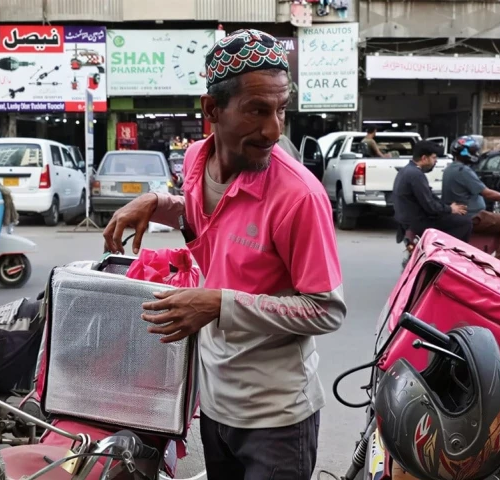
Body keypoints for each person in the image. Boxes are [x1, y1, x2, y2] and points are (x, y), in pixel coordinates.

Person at [103, 29, 346, 480]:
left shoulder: (300, 196)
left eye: (281, 109)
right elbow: (206, 216)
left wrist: (218, 304)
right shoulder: (197, 158)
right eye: (257, 110)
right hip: (214, 405)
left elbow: (326, 309)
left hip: (277, 419)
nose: (273, 130)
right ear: (212, 109)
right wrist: (158, 203)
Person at [442, 136, 500, 266]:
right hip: (474, 216)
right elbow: (487, 193)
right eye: (474, 151)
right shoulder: (463, 171)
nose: (476, 153)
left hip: (461, 215)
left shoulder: (450, 168)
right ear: (466, 153)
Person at [393, 140, 472, 242]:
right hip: (418, 222)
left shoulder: (406, 170)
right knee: (465, 222)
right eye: (434, 158)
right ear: (424, 158)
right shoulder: (416, 175)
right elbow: (430, 206)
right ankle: (444, 248)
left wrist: (447, 207)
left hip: (408, 220)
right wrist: (450, 209)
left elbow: (429, 196)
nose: (435, 161)